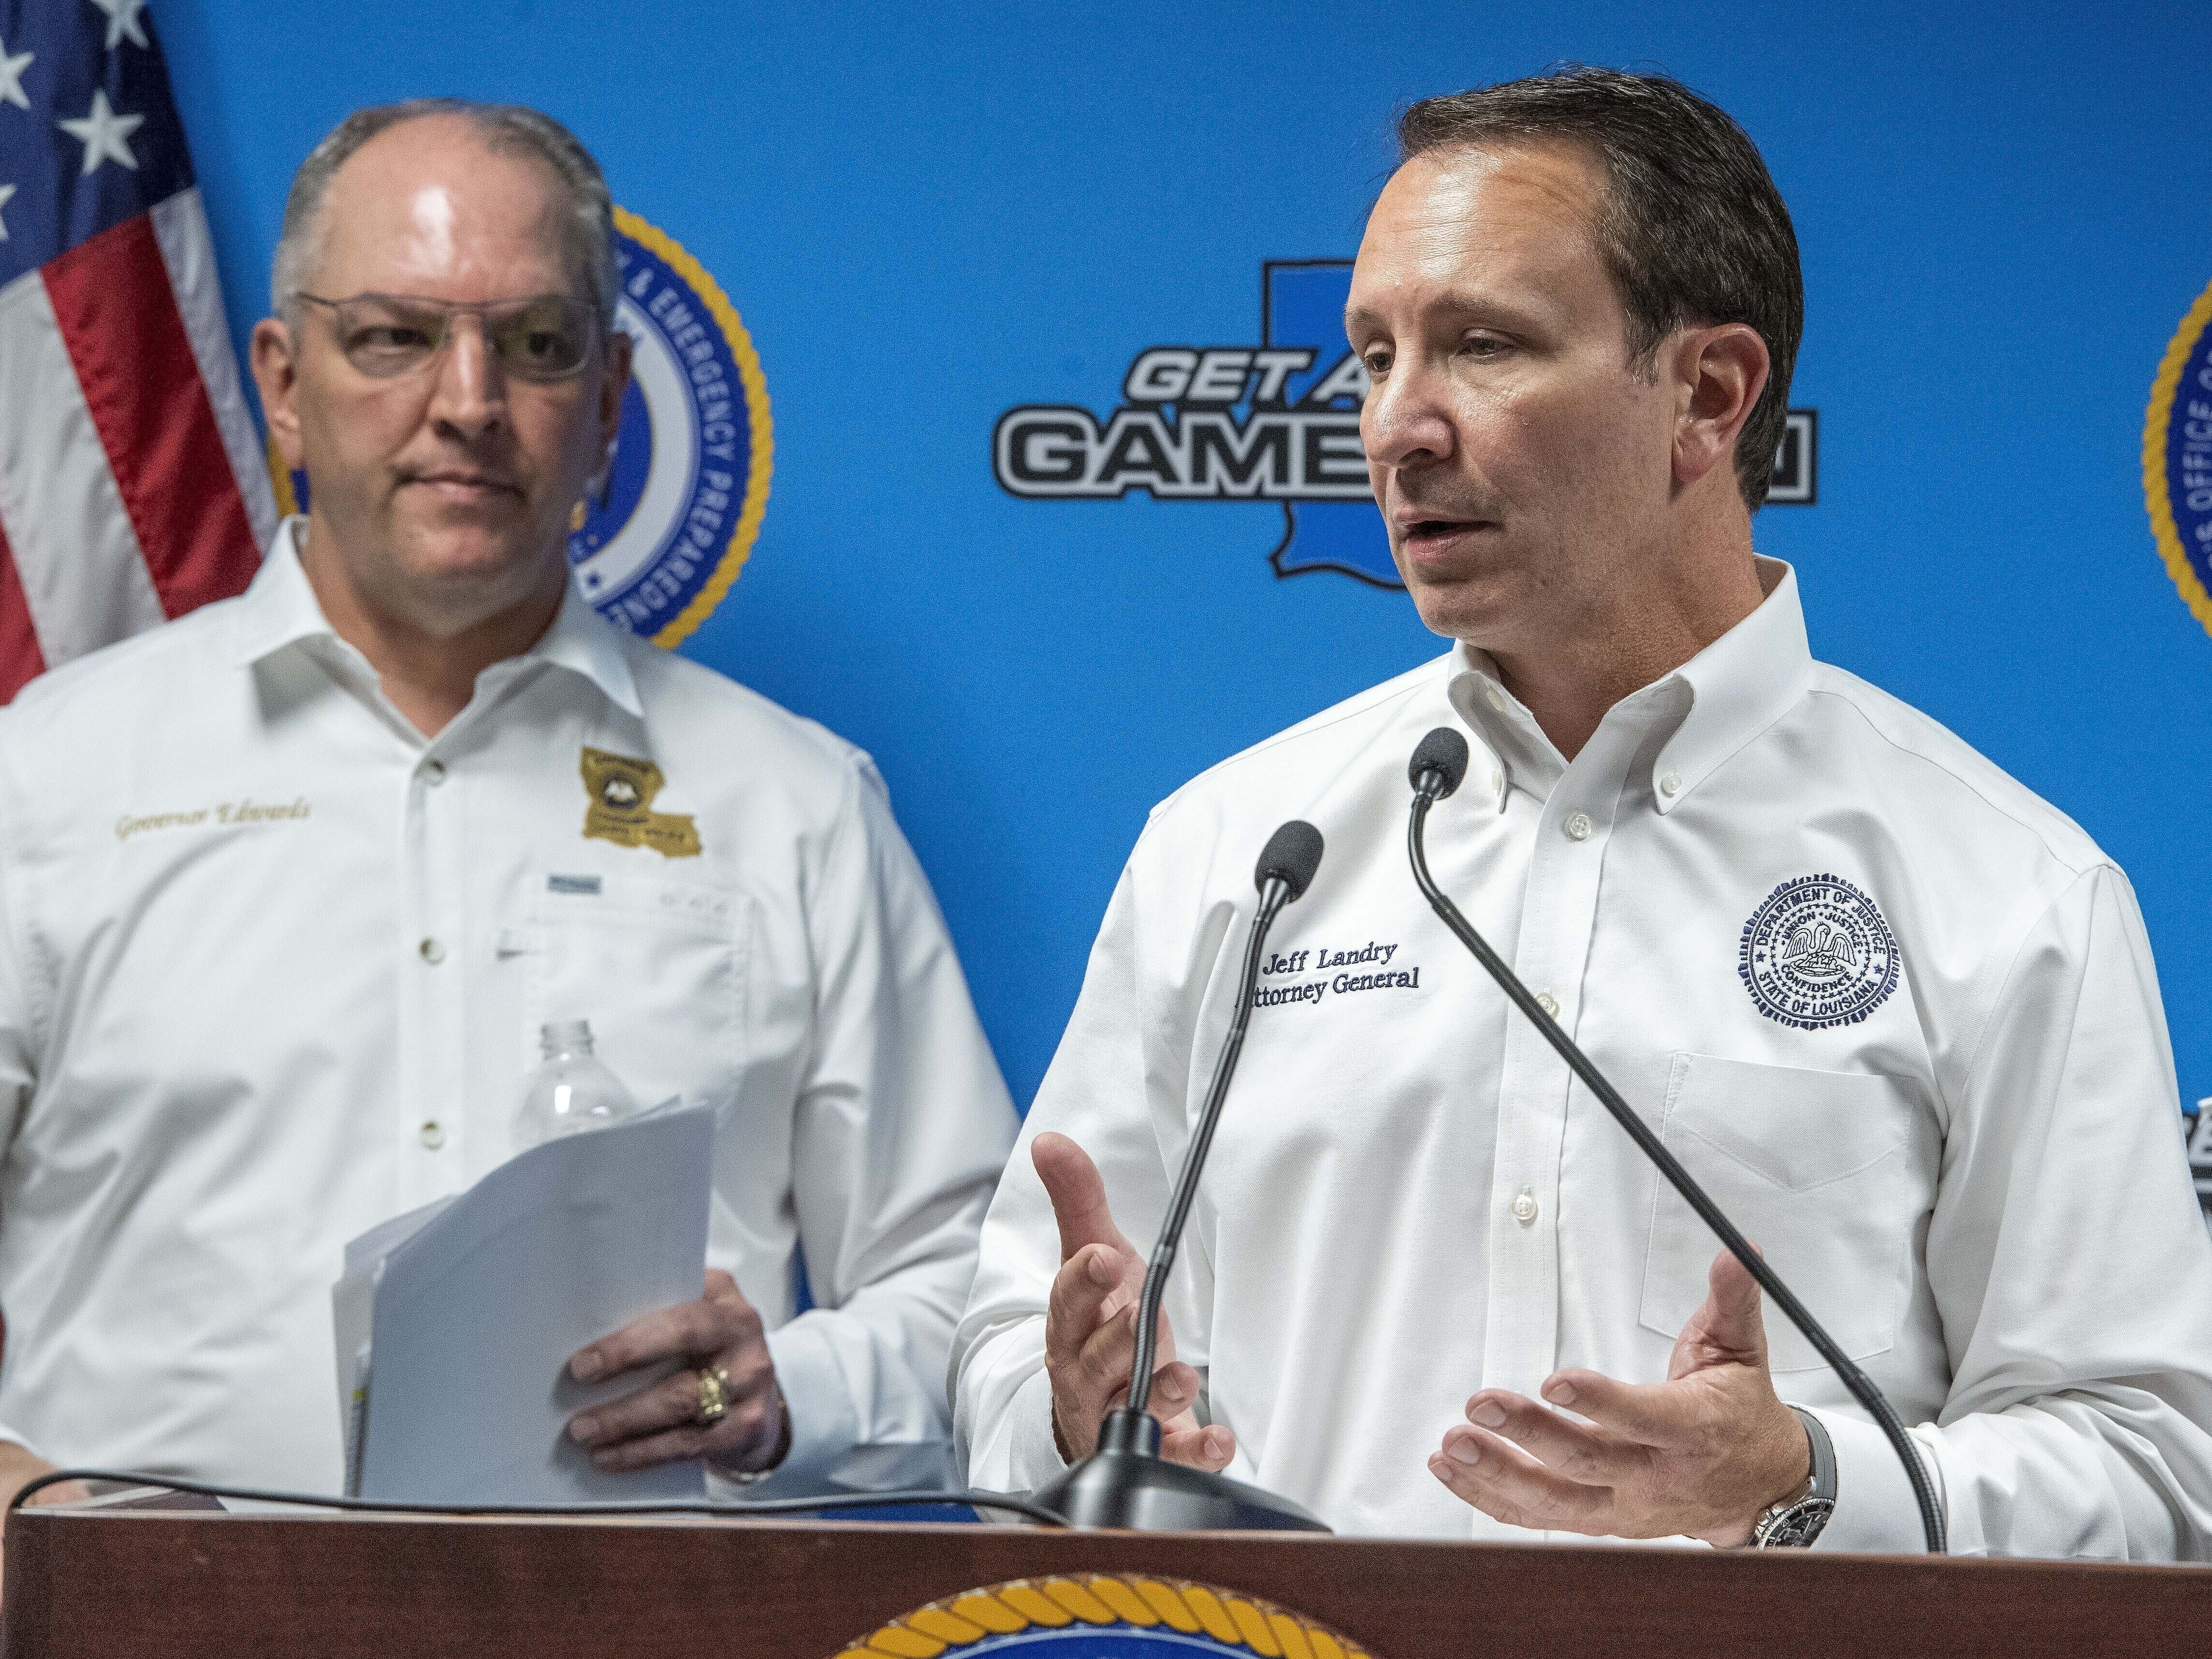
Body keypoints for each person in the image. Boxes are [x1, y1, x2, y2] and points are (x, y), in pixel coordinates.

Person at [953, 68, 2212, 1557]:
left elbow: (2153, 1475)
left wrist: (1804, 1480)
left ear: (1707, 395)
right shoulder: (1239, 851)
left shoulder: (2006, 887)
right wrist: (1068, 1413)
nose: (1395, 427)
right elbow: (999, 1377)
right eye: (1370, 356)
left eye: (1483, 347)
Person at [0, 100, 1015, 1510]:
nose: (468, 401)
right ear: (283, 384)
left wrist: (790, 1393)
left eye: (532, 345)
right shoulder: (44, 781)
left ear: (606, 403)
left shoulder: (793, 805)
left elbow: (977, 1300)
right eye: (394, 336)